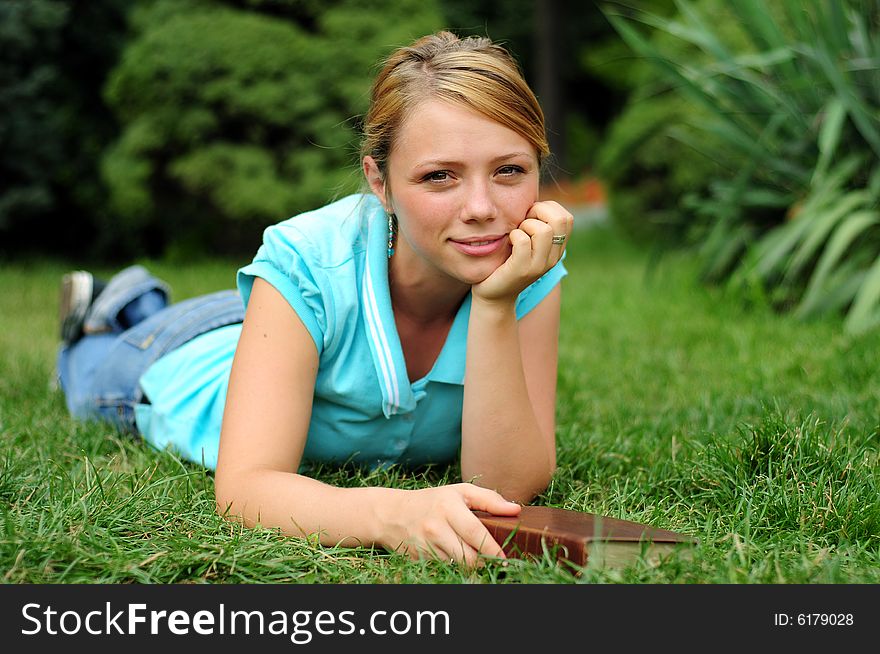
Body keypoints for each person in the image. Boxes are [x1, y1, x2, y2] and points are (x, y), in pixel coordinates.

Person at [55, 31, 572, 567]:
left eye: (509, 170)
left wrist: (494, 304)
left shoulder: (526, 262)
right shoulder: (304, 256)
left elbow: (506, 489)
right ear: (380, 182)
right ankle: (109, 310)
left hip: (284, 319)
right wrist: (390, 515)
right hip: (174, 357)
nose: (483, 208)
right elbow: (246, 490)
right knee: (92, 368)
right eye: (439, 177)